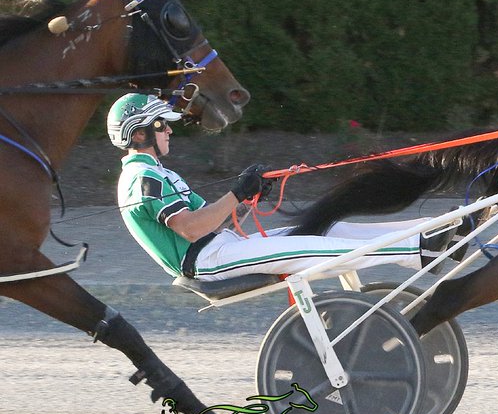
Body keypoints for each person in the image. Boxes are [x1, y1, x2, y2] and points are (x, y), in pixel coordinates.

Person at [107, 93, 460, 285]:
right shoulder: (142, 179)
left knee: (329, 229)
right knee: (316, 247)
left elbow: (218, 223)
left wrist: (248, 197)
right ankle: (421, 250)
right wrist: (235, 192)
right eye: (161, 126)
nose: (169, 131)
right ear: (139, 134)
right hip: (208, 261)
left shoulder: (154, 173)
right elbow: (192, 228)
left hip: (222, 247)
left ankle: (429, 232)